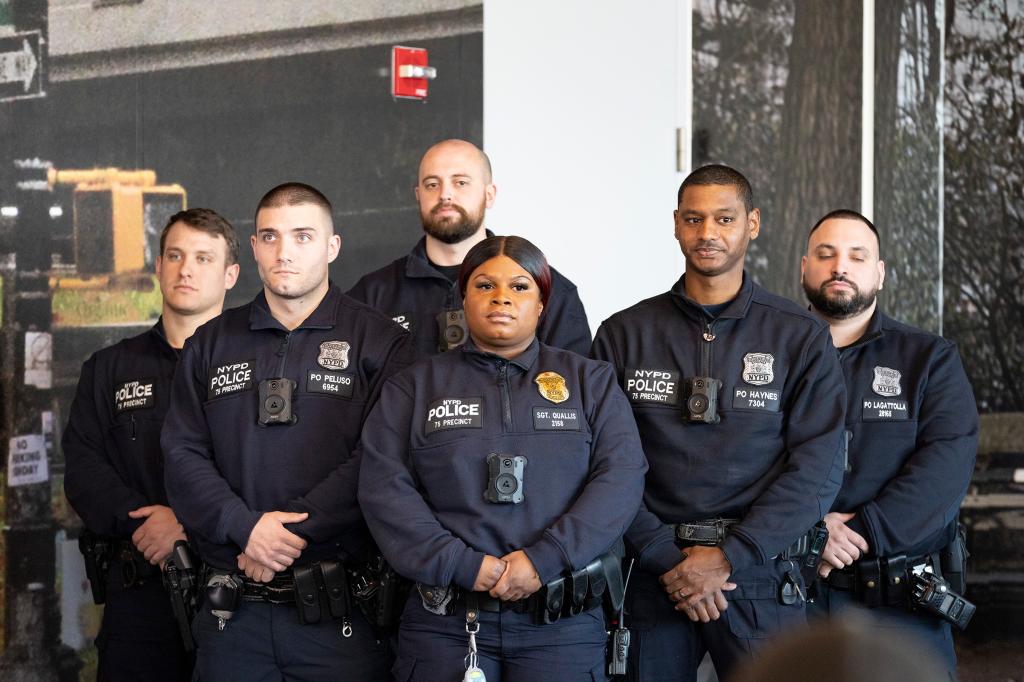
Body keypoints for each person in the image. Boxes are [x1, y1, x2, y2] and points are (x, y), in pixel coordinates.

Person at [591, 164, 847, 681]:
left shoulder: (798, 337)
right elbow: (602, 463)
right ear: (675, 225)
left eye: (724, 218)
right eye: (694, 219)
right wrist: (666, 556)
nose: (708, 233)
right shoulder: (625, 334)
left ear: (752, 224)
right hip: (653, 572)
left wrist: (731, 556)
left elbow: (818, 467)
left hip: (758, 573)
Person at [358, 235, 647, 681]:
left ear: (542, 303)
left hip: (561, 627)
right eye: (484, 285)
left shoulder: (591, 381)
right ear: (463, 297)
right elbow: (384, 489)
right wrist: (463, 564)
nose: (501, 299)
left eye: (519, 287)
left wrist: (545, 558)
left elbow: (621, 478)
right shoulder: (412, 388)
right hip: (446, 628)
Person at [161, 183, 415, 680]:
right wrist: (245, 526)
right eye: (270, 237)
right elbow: (181, 453)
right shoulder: (209, 343)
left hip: (341, 616)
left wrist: (287, 535)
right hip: (232, 616)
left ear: (332, 247)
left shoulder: (381, 342)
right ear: (253, 248)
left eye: (302, 236)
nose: (284, 252)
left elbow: (382, 459)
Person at [63, 208, 240, 681]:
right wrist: (149, 523)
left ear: (230, 275)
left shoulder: (258, 367)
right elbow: (84, 469)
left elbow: (274, 468)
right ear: (158, 266)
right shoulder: (108, 368)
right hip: (140, 590)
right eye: (176, 255)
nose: (186, 269)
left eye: (203, 258)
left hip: (239, 594)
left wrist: (188, 523)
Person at [801, 209, 978, 678]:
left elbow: (944, 469)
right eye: (826, 254)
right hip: (790, 596)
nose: (840, 266)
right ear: (804, 268)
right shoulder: (773, 355)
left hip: (900, 603)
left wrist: (857, 533)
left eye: (857, 257)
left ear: (878, 274)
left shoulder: (929, 359)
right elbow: (742, 458)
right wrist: (811, 528)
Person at [347, 139, 592, 357]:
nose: (445, 195)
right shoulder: (372, 294)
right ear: (418, 195)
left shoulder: (546, 288)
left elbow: (574, 390)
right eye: (432, 184)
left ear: (489, 195)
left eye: (461, 182)